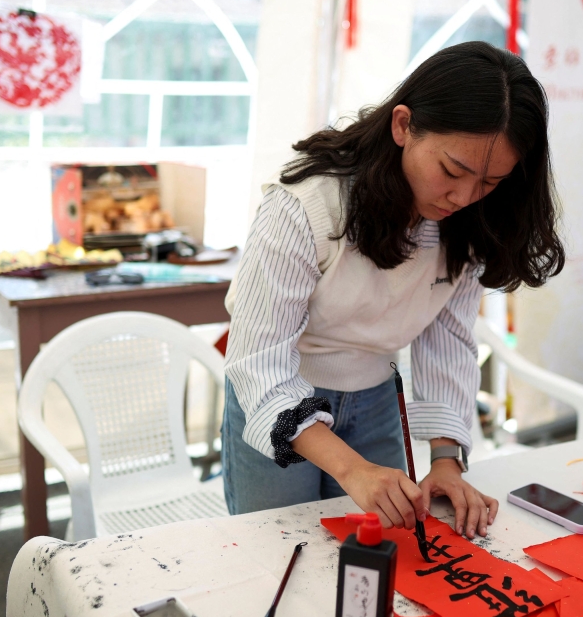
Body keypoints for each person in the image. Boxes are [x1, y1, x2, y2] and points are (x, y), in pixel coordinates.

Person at [221, 42, 565, 541]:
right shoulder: (306, 207)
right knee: (279, 554)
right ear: (403, 126)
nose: (464, 197)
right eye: (452, 171)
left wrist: (447, 462)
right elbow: (257, 362)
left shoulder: (470, 225)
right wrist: (352, 469)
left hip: (377, 399)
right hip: (275, 393)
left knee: (387, 549)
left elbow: (446, 341)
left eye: (490, 182)